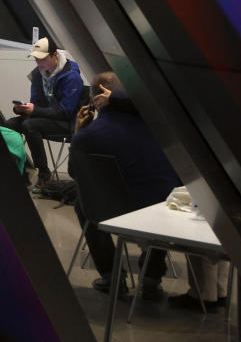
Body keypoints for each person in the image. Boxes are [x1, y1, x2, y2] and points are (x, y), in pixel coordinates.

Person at [68, 71, 181, 299]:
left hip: (117, 214)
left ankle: (112, 277)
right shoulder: (160, 125)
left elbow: (75, 172)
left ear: (95, 100)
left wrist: (79, 132)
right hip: (166, 214)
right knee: (155, 191)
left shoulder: (89, 136)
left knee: (83, 201)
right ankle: (151, 277)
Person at [6, 36, 83, 187]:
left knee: (30, 126)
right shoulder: (37, 73)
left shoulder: (72, 76)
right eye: (36, 58)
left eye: (42, 59)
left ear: (55, 55)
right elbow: (36, 103)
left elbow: (65, 112)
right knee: (8, 125)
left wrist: (34, 110)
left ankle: (44, 173)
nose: (38, 62)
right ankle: (19, 171)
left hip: (66, 122)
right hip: (44, 117)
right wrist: (22, 109)